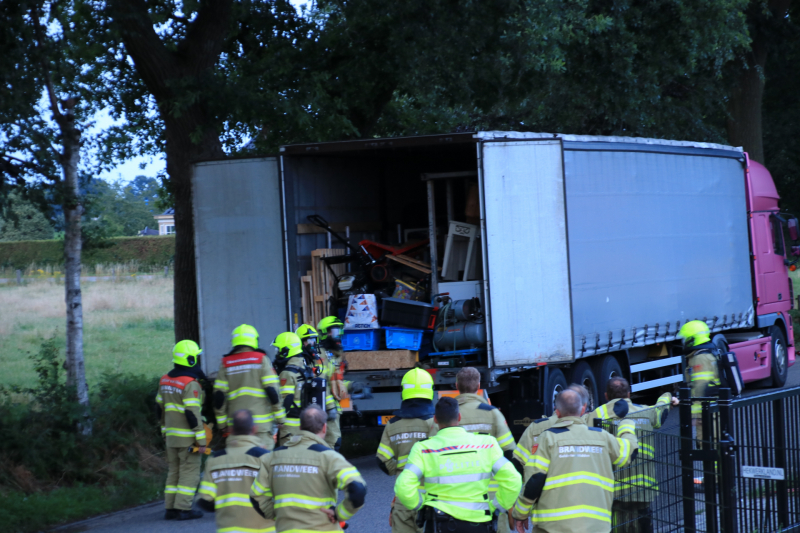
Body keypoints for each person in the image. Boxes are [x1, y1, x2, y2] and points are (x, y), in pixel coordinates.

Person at [511, 389, 638, 533]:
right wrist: (627, 426)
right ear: (583, 409)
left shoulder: (548, 438)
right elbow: (629, 453)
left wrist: (520, 514)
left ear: (557, 412)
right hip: (596, 527)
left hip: (553, 527)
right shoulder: (603, 437)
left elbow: (535, 480)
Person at [395, 397, 522, 533]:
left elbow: (403, 486)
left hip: (438, 524)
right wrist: (496, 507)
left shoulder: (423, 448)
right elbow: (513, 479)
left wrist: (421, 505)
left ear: (435, 419)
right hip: (479, 524)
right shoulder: (487, 443)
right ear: (459, 417)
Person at [250, 405, 367, 532]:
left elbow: (256, 495)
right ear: (324, 427)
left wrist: (276, 514)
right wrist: (339, 514)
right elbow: (358, 489)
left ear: (300, 428)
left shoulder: (272, 457)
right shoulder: (330, 457)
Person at [585, 377, 677, 533]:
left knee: (616, 526)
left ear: (606, 396)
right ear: (629, 394)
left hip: (614, 489)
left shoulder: (596, 415)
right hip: (643, 486)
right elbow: (661, 409)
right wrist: (669, 396)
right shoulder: (645, 411)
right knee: (643, 524)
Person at [377, 368, 439, 533]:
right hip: (431, 499)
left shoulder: (392, 425)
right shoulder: (435, 423)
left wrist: (398, 471)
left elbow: (382, 460)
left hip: (404, 498)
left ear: (403, 391)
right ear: (430, 390)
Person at [198, 410, 275, 533]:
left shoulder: (215, 460)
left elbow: (205, 501)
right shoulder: (266, 458)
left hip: (228, 528)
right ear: (254, 429)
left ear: (231, 430)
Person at [156, 340, 207, 520]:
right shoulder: (190, 383)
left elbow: (160, 409)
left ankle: (170, 509)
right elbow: (192, 413)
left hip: (171, 436)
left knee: (174, 472)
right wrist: (201, 440)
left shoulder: (165, 379)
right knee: (189, 473)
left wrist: (164, 431)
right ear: (191, 359)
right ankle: (184, 509)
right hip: (188, 439)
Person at [214, 324, 286, 450]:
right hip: (260, 427)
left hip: (236, 426)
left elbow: (219, 398)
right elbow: (272, 391)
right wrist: (280, 418)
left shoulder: (226, 363)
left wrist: (222, 425)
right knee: (262, 465)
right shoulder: (261, 359)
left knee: (238, 465)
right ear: (254, 340)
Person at [678, 320, 721, 485]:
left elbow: (700, 389)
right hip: (713, 410)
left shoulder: (700, 359)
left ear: (692, 339)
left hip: (708, 412)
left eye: (685, 339)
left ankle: (714, 480)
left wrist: (696, 415)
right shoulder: (706, 353)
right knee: (713, 444)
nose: (683, 342)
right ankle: (715, 477)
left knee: (708, 444)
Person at [512, 384, 590, 472]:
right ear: (583, 407)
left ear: (559, 404)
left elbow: (519, 461)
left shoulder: (535, 427)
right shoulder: (592, 430)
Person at [273, 331, 314, 445]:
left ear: (286, 351)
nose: (277, 353)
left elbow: (287, 399)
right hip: (304, 424)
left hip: (290, 428)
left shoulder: (287, 373)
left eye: (278, 349)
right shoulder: (305, 369)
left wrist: (277, 422)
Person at [317, 316, 351, 452]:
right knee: (331, 445)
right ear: (325, 333)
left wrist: (352, 387)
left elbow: (337, 383)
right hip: (326, 410)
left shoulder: (334, 356)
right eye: (335, 331)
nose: (339, 335)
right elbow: (320, 384)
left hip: (334, 411)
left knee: (334, 443)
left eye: (340, 331)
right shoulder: (321, 356)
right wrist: (330, 407)